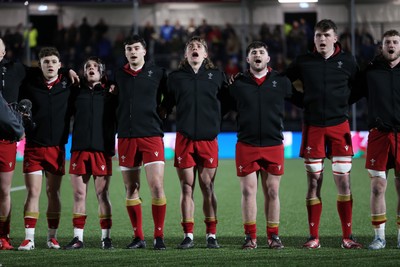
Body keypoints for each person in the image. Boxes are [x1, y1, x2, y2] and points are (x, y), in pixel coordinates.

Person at [285, 19, 362, 249]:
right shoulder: (304, 62)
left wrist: (342, 104)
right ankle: (313, 237)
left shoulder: (348, 61)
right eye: (318, 35)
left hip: (340, 126)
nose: (321, 39)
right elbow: (282, 82)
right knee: (314, 182)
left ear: (335, 38)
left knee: (343, 182)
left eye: (326, 35)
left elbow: (359, 87)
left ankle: (347, 237)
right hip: (313, 126)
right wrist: (303, 102)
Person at [162, 36, 227, 249]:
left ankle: (211, 235)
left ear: (206, 54)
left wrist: (215, 120)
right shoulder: (176, 78)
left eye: (199, 47)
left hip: (208, 140)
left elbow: (228, 101)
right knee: (186, 187)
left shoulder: (217, 76)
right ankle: (188, 234)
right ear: (185, 54)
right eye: (191, 47)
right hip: (184, 139)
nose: (195, 49)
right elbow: (166, 105)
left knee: (208, 187)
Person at [229, 41, 292, 250]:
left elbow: (301, 100)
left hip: (273, 144)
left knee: (273, 191)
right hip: (246, 144)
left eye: (262, 52)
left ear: (268, 58)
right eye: (253, 52)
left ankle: (274, 236)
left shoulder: (281, 81)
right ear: (248, 59)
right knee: (248, 192)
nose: (258, 54)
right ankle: (250, 237)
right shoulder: (237, 83)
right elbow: (219, 105)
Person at [17, 47, 75, 251]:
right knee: (33, 192)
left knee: (53, 192)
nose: (50, 65)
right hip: (33, 146)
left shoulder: (69, 86)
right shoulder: (29, 86)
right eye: (45, 62)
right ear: (39, 65)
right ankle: (29, 238)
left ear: (60, 65)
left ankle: (52, 237)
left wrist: (69, 70)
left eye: (53, 61)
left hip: (57, 148)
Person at [114, 35, 167, 250]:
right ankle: (138, 237)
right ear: (125, 53)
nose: (133, 52)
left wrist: (165, 110)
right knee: (131, 187)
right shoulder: (118, 75)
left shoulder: (159, 73)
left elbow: (171, 96)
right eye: (129, 49)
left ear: (144, 51)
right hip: (126, 136)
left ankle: (159, 237)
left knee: (156, 185)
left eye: (136, 48)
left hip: (151, 135)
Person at [63, 57, 117, 250]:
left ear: (102, 72)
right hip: (79, 150)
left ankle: (106, 238)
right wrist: (68, 70)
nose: (91, 69)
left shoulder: (111, 94)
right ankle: (78, 238)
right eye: (88, 67)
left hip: (102, 151)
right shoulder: (76, 92)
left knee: (102, 194)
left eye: (95, 67)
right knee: (79, 194)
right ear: (84, 73)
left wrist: (112, 87)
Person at [353, 30, 400, 250]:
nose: (391, 45)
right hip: (378, 134)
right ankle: (379, 236)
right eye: (387, 42)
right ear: (381, 47)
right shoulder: (370, 71)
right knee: (377, 187)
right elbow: (351, 92)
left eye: (395, 42)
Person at [0, 37, 26, 250]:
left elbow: (40, 74)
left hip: (6, 141)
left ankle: (3, 235)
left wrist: (66, 72)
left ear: (3, 51)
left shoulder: (16, 69)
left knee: (3, 190)